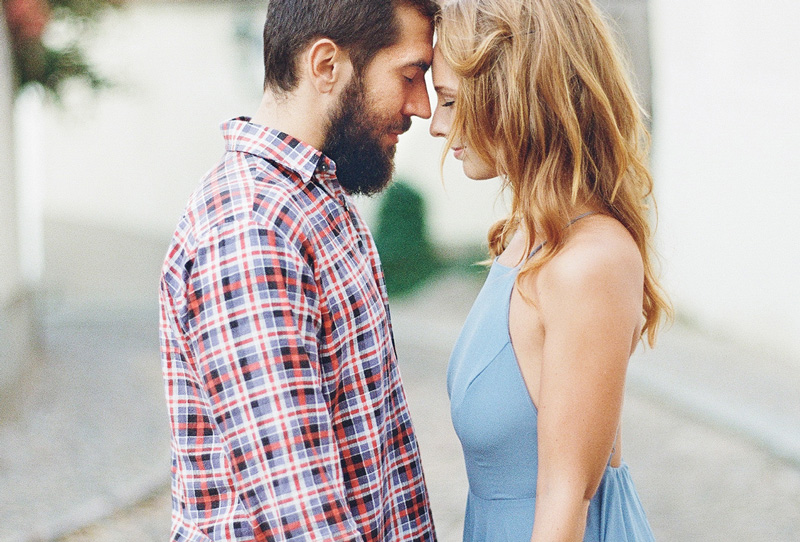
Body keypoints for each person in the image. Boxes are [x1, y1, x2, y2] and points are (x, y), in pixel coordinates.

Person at [159, 1, 439, 540]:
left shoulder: (316, 200)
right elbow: (302, 513)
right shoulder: (251, 225)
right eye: (410, 75)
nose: (422, 106)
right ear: (327, 66)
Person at [429, 0, 671, 540]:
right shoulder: (526, 237)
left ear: (512, 93)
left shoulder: (589, 263)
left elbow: (567, 499)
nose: (437, 126)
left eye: (448, 100)